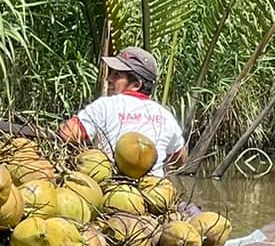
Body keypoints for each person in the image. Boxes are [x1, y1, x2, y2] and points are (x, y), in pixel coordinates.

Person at [58, 46, 187, 175]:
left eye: (117, 75)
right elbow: (180, 158)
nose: (109, 79)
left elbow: (67, 133)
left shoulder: (105, 105)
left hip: (112, 185)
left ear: (136, 85)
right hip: (153, 189)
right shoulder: (166, 116)